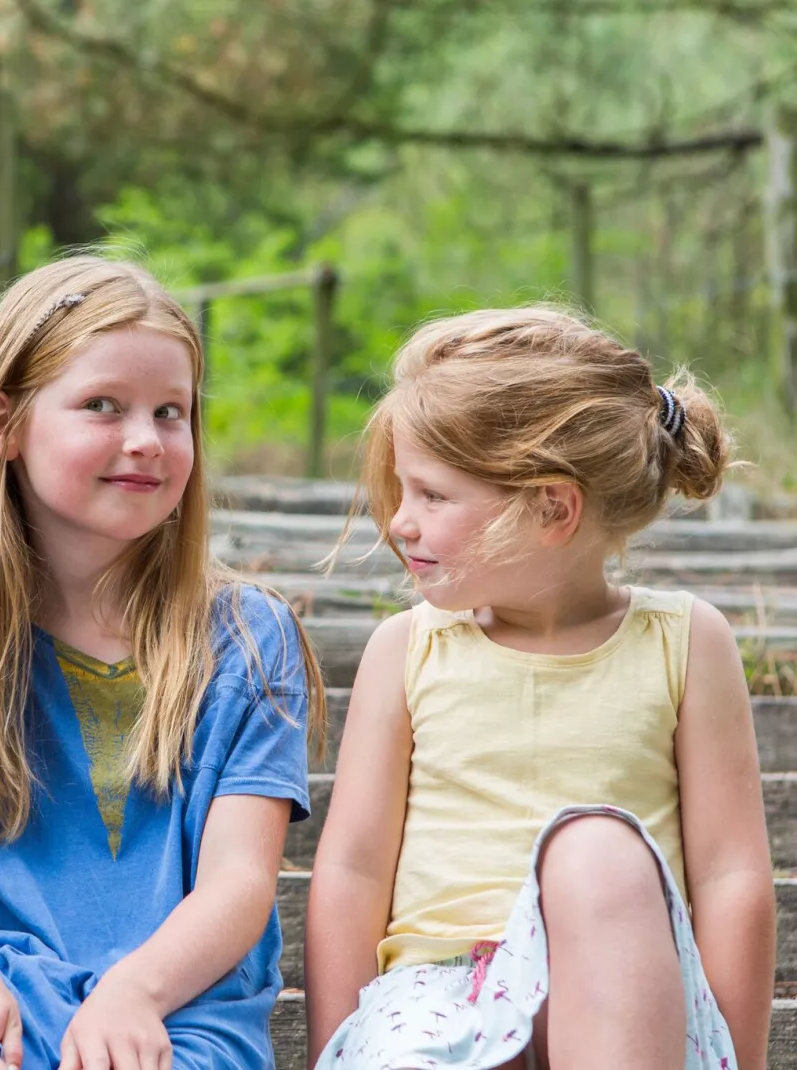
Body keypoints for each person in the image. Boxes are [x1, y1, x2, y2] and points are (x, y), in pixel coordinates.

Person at [0, 255, 327, 1070]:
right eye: (102, 407)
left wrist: (136, 993)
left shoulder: (249, 640)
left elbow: (238, 883)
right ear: (3, 425)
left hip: (179, 1011)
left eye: (171, 412)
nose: (146, 440)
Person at [305, 307, 776, 1069]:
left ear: (552, 508)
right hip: (439, 1008)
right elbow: (353, 870)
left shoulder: (685, 642)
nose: (400, 523)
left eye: (431, 495)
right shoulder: (409, 649)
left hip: (628, 999)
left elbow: (731, 876)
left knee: (596, 853)